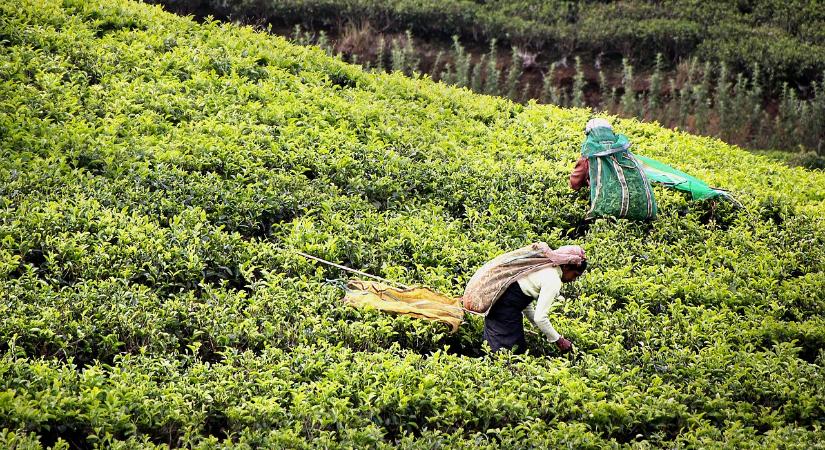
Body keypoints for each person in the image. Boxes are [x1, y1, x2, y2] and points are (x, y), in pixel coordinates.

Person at [482, 259, 587, 354]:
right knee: (508, 350)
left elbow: (524, 301)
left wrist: (539, 328)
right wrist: (559, 340)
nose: (573, 280)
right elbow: (540, 318)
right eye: (575, 275)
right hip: (505, 309)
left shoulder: (546, 268)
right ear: (566, 267)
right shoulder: (553, 280)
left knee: (496, 344)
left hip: (498, 302)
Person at [569, 118, 657, 220]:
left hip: (609, 215)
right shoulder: (625, 153)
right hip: (641, 210)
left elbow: (574, 184)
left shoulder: (589, 157)